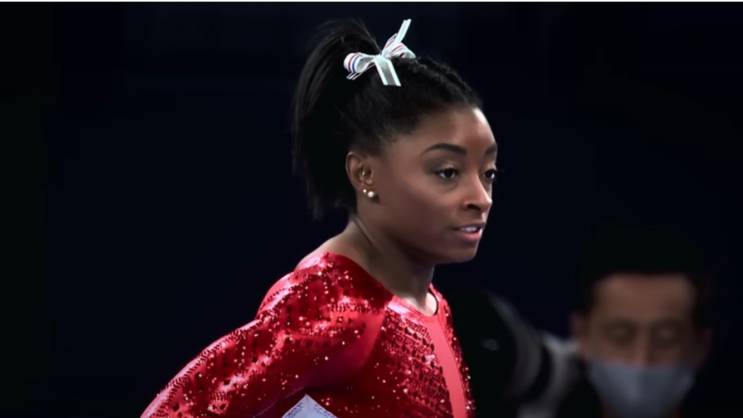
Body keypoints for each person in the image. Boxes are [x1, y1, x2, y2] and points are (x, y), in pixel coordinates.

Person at [142, 18, 498, 418]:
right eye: (447, 172)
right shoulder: (335, 302)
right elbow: (180, 409)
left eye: (488, 174)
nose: (480, 198)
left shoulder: (431, 304)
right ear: (365, 174)